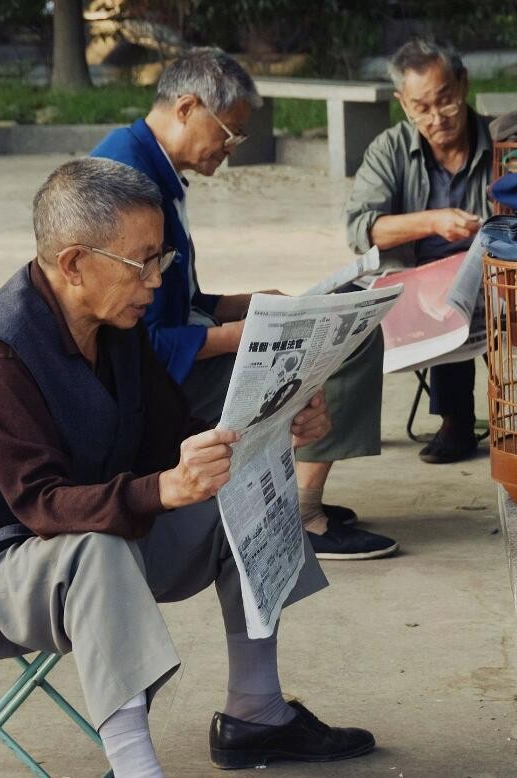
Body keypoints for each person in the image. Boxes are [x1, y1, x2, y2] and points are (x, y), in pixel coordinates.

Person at [0, 158, 376, 777]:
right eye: (143, 262)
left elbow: (172, 437)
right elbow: (42, 505)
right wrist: (164, 487)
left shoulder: (113, 323)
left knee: (239, 492)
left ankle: (256, 713)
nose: (156, 281)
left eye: (163, 260)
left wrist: (273, 428)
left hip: (66, 549)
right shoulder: (1, 353)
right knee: (95, 550)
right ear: (74, 263)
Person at [91, 47, 397, 560]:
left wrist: (248, 303)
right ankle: (303, 513)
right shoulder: (130, 182)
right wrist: (249, 334)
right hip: (144, 381)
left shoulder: (149, 163)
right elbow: (143, 341)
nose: (232, 146)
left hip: (171, 347)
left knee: (342, 309)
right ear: (187, 107)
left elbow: (175, 300)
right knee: (344, 342)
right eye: (230, 131)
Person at [344, 37, 493, 464]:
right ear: (403, 104)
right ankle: (456, 420)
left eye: (445, 101)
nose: (436, 117)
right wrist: (432, 221)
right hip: (421, 281)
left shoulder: (500, 141)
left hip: (496, 276)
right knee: (441, 298)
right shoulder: (389, 149)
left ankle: (515, 419)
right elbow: (360, 228)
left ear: (462, 86)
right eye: (421, 107)